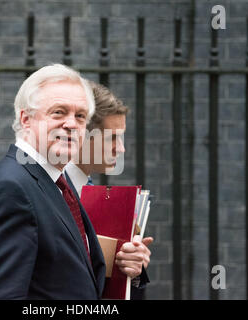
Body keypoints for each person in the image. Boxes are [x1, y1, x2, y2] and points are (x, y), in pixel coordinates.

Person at [0, 64, 147, 299]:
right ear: (26, 119)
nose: (71, 124)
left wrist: (129, 271)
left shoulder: (59, 183)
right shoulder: (10, 189)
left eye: (80, 116)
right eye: (59, 112)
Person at [64, 81, 153, 300]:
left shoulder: (93, 192)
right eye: (112, 138)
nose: (121, 149)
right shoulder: (51, 191)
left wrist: (133, 270)